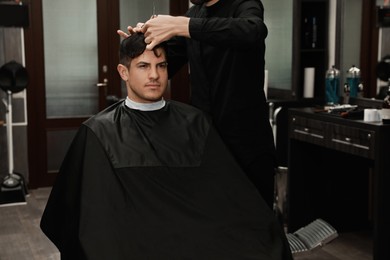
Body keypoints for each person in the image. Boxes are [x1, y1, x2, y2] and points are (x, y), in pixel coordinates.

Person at [40, 33, 292, 259]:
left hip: (190, 234)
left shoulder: (195, 123)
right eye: (143, 66)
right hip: (132, 239)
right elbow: (80, 214)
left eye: (161, 66)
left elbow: (228, 193)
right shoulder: (98, 131)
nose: (154, 75)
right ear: (123, 72)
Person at [118, 0, 276, 208]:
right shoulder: (195, 13)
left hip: (246, 145)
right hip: (205, 143)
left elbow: (252, 30)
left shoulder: (244, 4)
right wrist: (141, 44)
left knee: (254, 219)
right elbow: (165, 63)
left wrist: (182, 26)